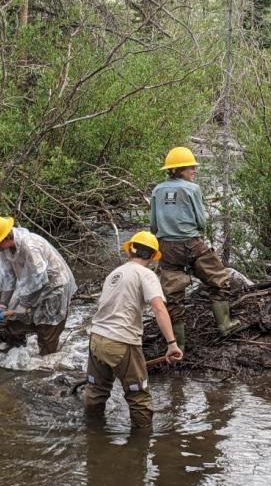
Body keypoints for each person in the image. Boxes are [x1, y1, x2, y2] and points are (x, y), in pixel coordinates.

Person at [84, 231, 183, 428]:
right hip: (122, 342)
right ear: (154, 258)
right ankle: (140, 447)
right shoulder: (146, 275)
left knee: (96, 391)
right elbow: (158, 307)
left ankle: (93, 436)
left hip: (96, 339)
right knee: (139, 397)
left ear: (130, 251)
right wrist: (172, 343)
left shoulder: (115, 273)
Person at [149, 146, 239, 352]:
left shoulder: (157, 190)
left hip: (166, 247)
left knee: (172, 295)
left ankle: (178, 344)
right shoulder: (192, 189)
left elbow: (153, 225)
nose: (194, 171)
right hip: (191, 242)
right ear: (179, 169)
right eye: (191, 167)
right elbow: (201, 221)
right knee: (219, 279)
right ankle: (225, 326)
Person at [0, 216, 77, 356]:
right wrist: (3, 304)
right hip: (29, 284)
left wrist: (25, 304)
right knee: (14, 322)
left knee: (47, 331)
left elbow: (39, 279)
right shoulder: (6, 248)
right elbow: (8, 276)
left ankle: (46, 364)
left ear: (6, 238)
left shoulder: (30, 246)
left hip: (54, 286)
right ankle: (15, 354)